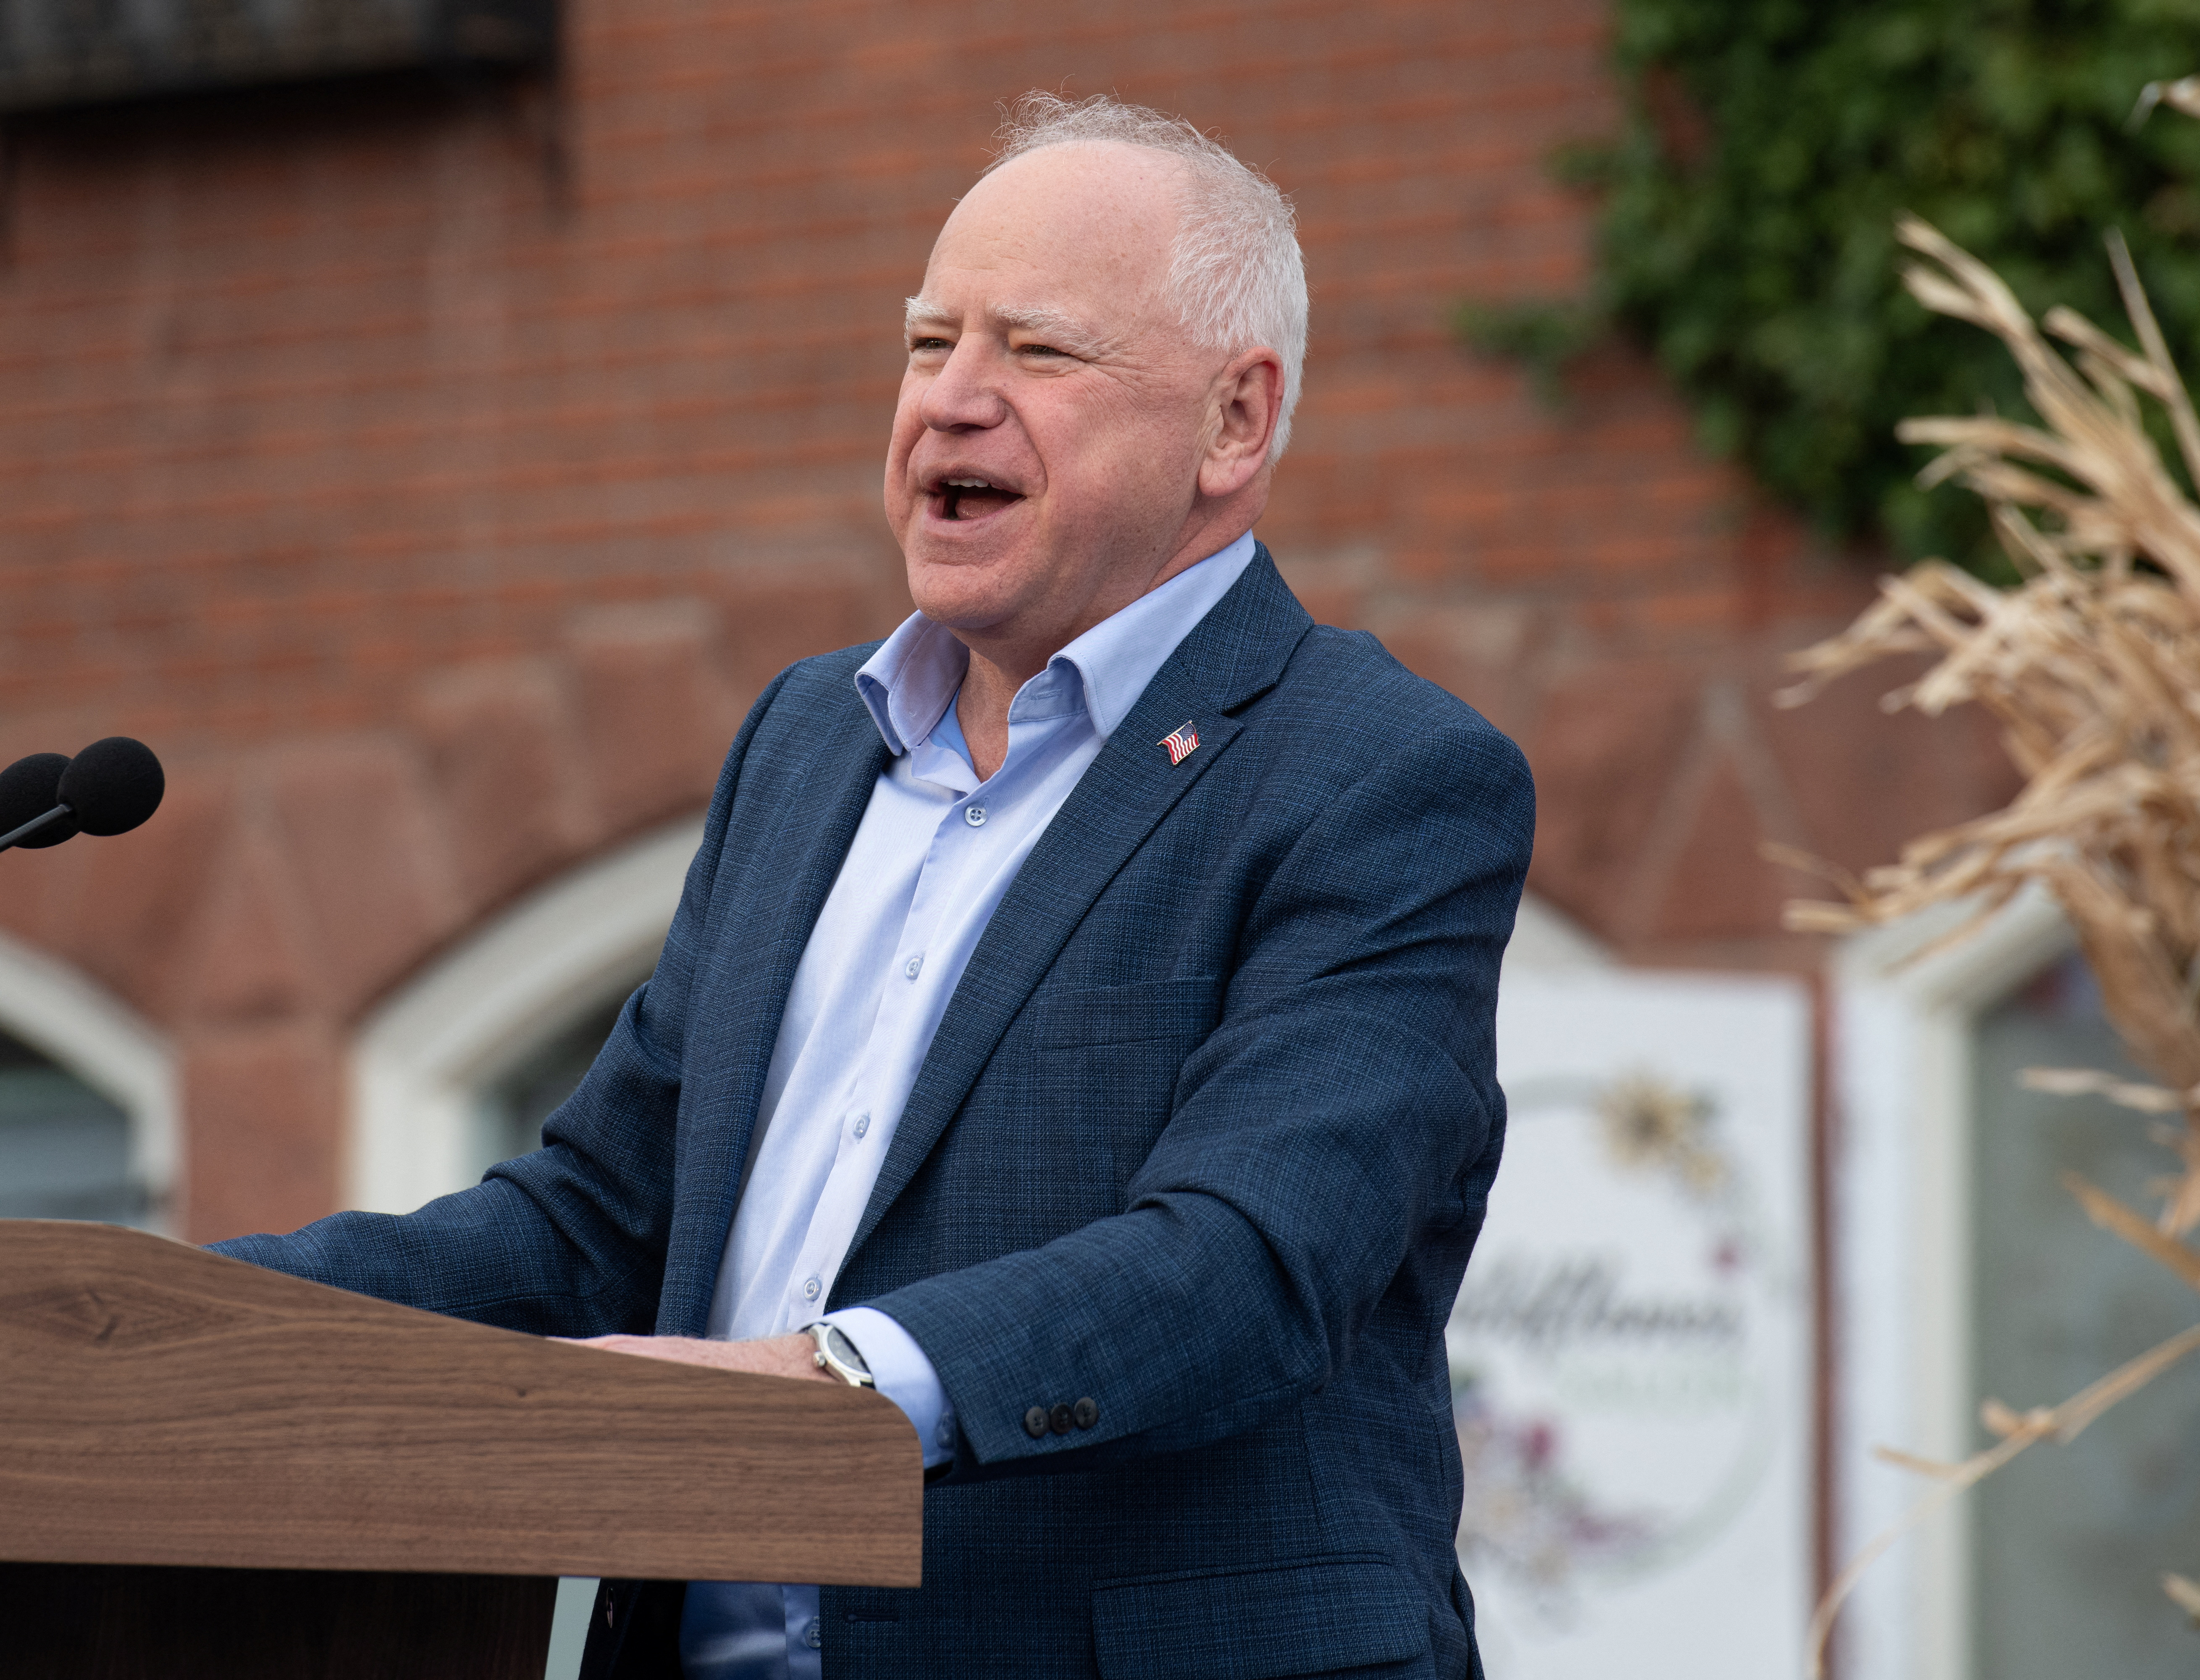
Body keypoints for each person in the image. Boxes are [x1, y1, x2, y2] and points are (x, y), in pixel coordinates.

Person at [214, 92, 1533, 1680]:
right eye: (926, 346)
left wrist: (821, 1392)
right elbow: (600, 1223)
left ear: (1234, 426)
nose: (952, 406)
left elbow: (1244, 1268)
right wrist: (196, 1321)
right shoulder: (804, 743)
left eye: (1038, 353)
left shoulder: (1376, 773)